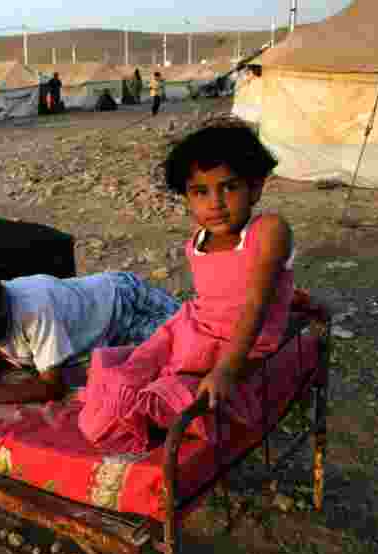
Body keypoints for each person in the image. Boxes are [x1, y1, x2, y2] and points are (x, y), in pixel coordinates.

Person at [77, 121, 294, 453]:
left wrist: (226, 370)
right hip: (194, 327)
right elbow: (215, 295)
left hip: (238, 341)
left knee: (178, 391)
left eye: (229, 187)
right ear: (187, 197)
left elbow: (255, 303)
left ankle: (157, 406)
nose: (216, 202)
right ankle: (128, 405)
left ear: (256, 186)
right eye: (200, 192)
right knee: (131, 368)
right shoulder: (197, 242)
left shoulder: (268, 230)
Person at [0, 258, 181, 406]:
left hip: (125, 304)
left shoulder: (34, 307)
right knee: (142, 367)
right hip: (98, 338)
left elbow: (52, 387)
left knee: (197, 342)